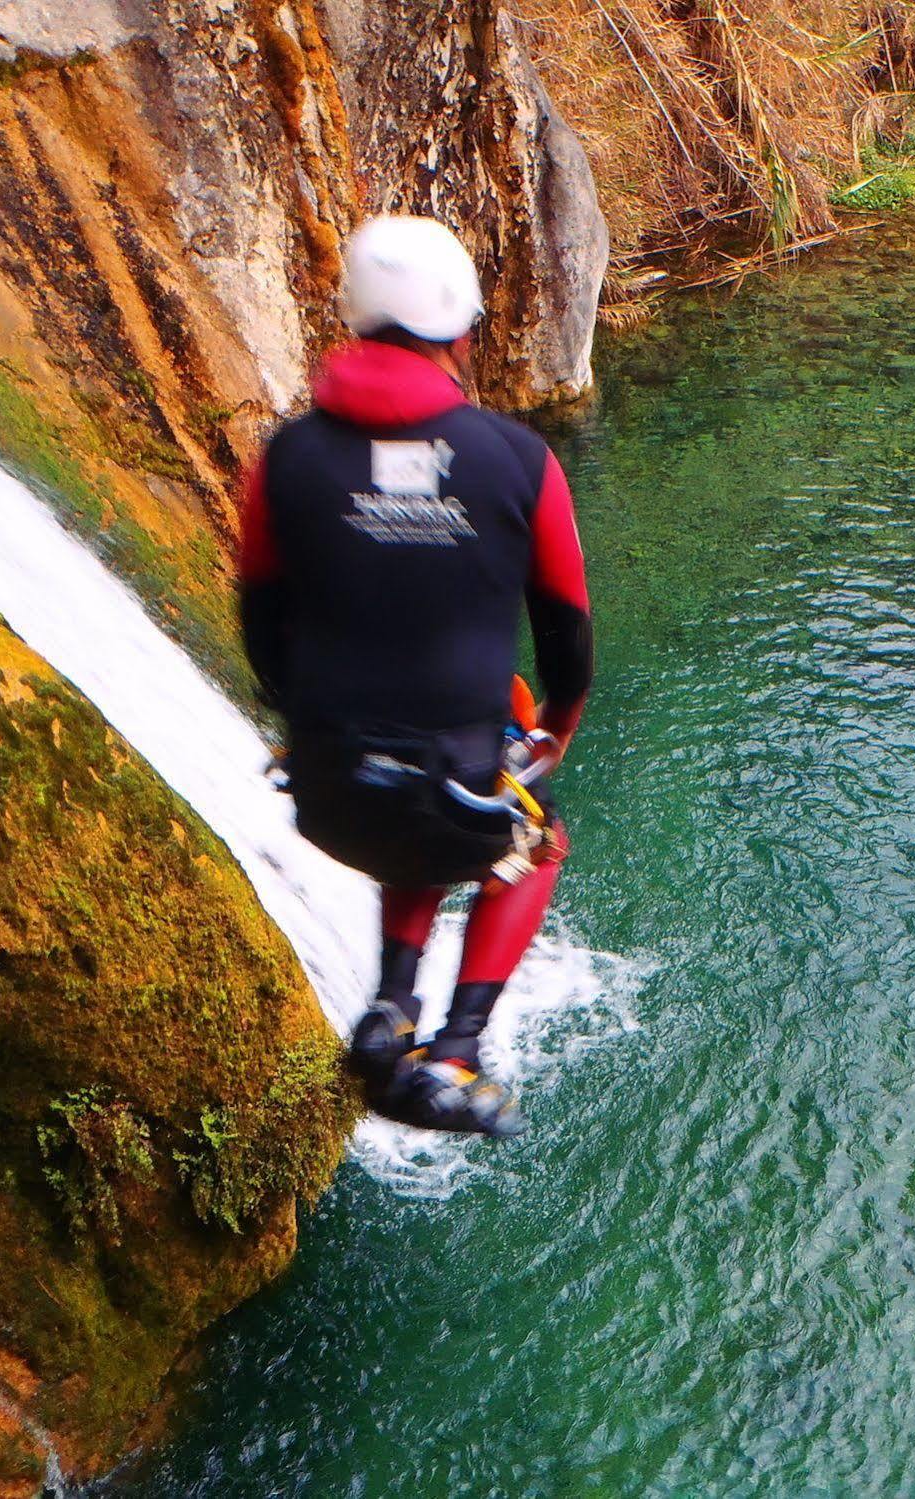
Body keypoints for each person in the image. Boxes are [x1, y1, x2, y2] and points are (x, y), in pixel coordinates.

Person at [238, 215, 593, 1138]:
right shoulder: (515, 458)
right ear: (462, 333)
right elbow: (566, 635)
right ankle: (455, 1051)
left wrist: (314, 722)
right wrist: (554, 726)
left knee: (449, 785)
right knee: (526, 832)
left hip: (328, 794)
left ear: (354, 319)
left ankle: (390, 1006)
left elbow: (261, 628)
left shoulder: (284, 459)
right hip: (444, 794)